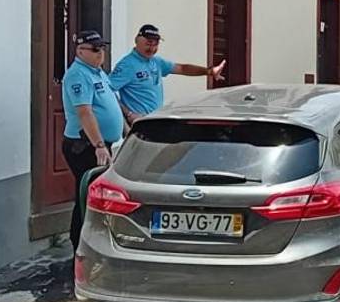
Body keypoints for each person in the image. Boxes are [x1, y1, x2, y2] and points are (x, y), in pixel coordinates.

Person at [61, 30, 126, 251]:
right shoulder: (78, 75)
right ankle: (80, 243)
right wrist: (99, 144)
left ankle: (91, 241)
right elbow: (85, 112)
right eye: (96, 50)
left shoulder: (98, 73)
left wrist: (128, 131)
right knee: (86, 195)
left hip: (100, 144)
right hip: (85, 145)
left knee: (94, 193)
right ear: (80, 51)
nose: (101, 54)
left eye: (103, 49)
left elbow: (113, 105)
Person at [110, 24, 226, 125]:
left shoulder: (156, 61)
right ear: (137, 40)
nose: (152, 48)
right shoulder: (126, 65)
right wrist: (129, 114)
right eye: (148, 43)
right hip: (140, 124)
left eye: (156, 44)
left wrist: (209, 71)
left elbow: (182, 68)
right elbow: (107, 91)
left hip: (156, 121)